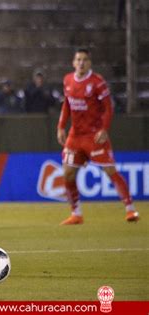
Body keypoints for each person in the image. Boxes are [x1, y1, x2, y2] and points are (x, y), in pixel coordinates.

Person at [57, 48, 139, 225]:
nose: (81, 63)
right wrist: (61, 126)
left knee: (110, 171)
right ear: (73, 62)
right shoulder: (68, 80)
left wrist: (104, 129)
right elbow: (67, 105)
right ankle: (76, 214)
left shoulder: (97, 82)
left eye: (84, 60)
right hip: (75, 136)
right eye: (78, 59)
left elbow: (108, 108)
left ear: (89, 63)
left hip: (94, 136)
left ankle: (130, 209)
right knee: (67, 173)